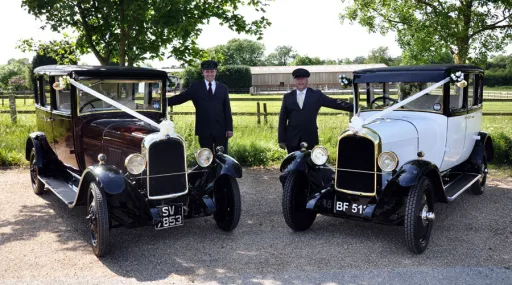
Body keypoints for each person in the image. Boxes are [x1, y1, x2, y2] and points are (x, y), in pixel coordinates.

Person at [278, 68, 354, 153]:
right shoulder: (288, 97)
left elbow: (335, 103)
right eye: (298, 79)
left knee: (309, 163)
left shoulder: (316, 95)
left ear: (307, 80)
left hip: (309, 137)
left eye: (303, 78)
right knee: (293, 164)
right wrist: (281, 139)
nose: (300, 81)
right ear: (295, 80)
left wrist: (355, 107)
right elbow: (282, 119)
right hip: (292, 140)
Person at [167, 60, 233, 154]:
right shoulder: (196, 87)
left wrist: (229, 129)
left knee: (222, 157)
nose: (209, 74)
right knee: (206, 157)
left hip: (221, 130)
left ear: (215, 72)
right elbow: (181, 98)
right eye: (207, 71)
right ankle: (208, 170)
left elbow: (227, 109)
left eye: (212, 71)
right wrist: (163, 102)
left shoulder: (223, 88)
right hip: (204, 129)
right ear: (202, 72)